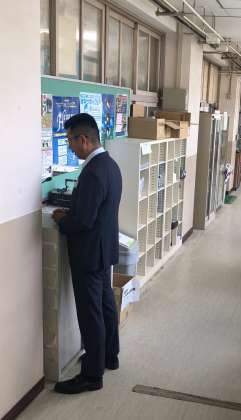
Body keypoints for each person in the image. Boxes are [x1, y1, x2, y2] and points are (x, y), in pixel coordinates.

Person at [52, 113, 122, 394]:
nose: (69, 146)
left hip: (89, 254)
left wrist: (62, 220)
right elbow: (96, 210)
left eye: (70, 140)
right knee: (105, 305)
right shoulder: (110, 165)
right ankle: (109, 356)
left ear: (83, 139)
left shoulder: (93, 172)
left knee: (90, 313)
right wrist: (74, 213)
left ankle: (92, 375)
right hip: (104, 250)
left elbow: (83, 221)